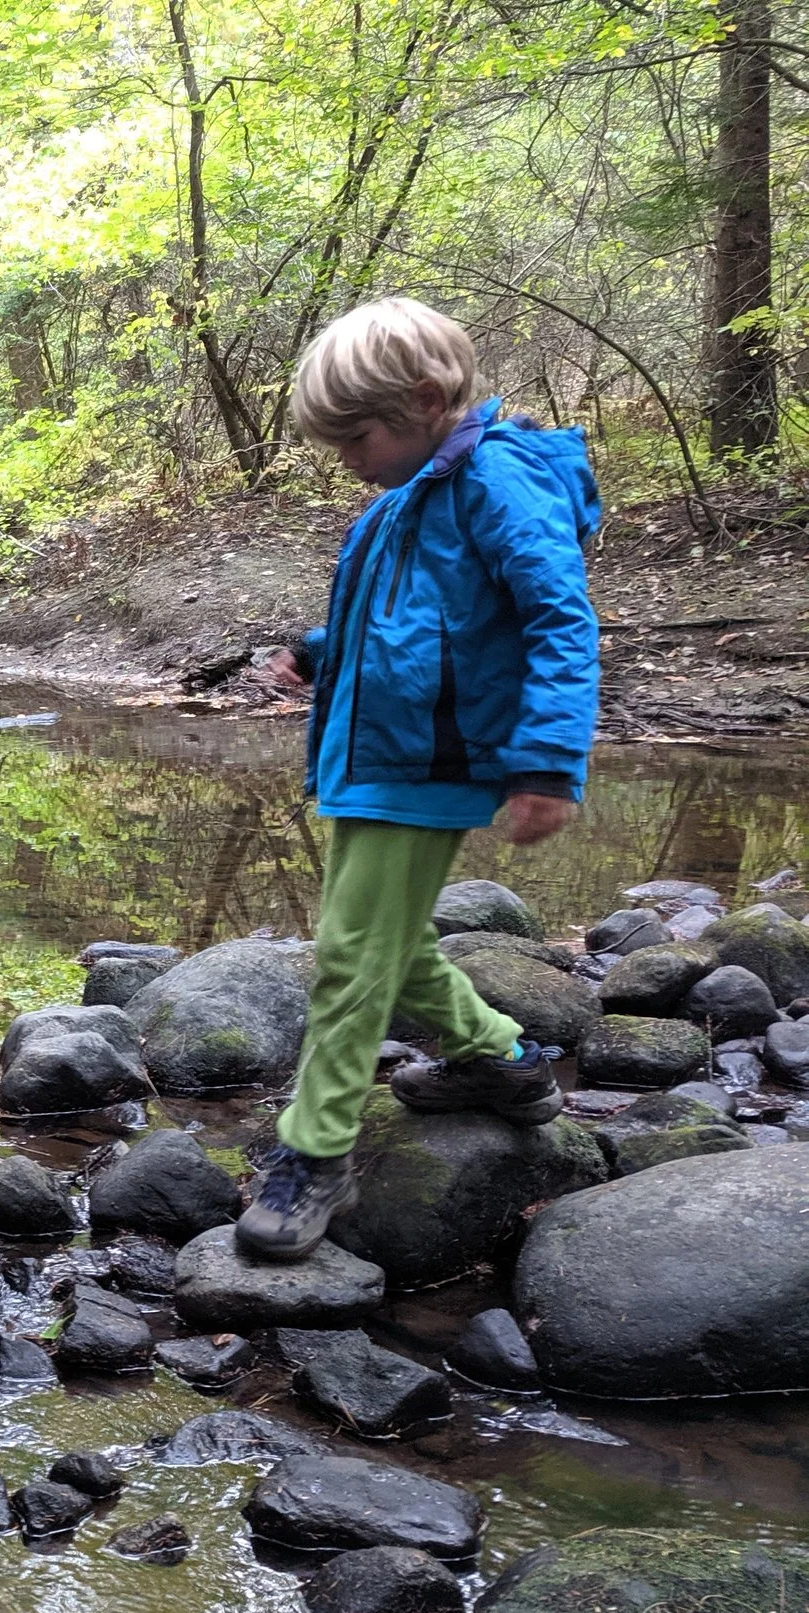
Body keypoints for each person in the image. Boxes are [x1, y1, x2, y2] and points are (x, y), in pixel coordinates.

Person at [235, 296, 600, 1260]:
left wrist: (548, 764)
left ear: (428, 399)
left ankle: (316, 1154)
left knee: (351, 956)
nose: (348, 458)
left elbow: (560, 620)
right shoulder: (402, 499)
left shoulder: (498, 485)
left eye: (356, 437)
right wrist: (317, 655)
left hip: (430, 763)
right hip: (375, 753)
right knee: (381, 939)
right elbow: (405, 614)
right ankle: (501, 1057)